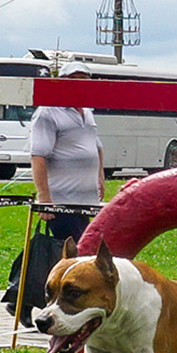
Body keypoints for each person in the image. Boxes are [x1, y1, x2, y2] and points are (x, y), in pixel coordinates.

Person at [29, 66, 105, 243]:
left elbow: (97, 148)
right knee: (69, 254)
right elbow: (38, 156)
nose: (79, 83)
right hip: (62, 204)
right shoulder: (47, 112)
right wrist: (44, 200)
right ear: (62, 82)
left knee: (86, 253)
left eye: (84, 79)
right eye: (74, 78)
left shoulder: (87, 113)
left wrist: (99, 177)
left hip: (86, 203)